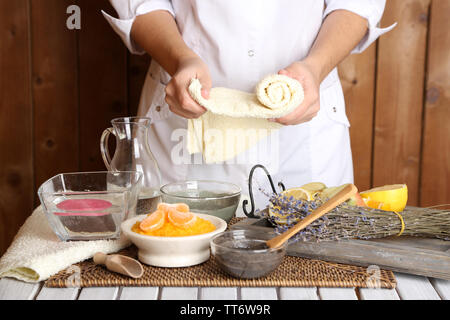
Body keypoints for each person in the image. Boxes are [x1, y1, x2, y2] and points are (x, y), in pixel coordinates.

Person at [103, 0, 395, 214]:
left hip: (303, 130)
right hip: (186, 120)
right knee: (174, 265)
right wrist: (180, 59)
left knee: (315, 269)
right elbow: (141, 4)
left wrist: (315, 67)